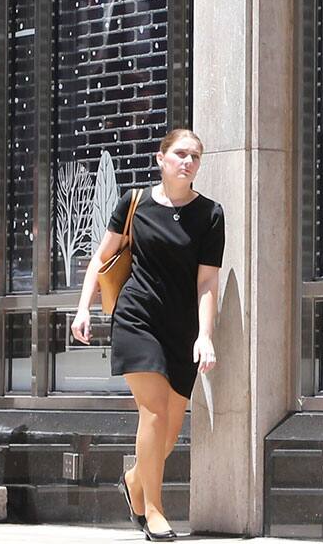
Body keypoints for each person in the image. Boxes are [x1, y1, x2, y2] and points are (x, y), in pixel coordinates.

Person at [70, 129, 225, 542]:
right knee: (153, 410)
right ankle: (154, 510)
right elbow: (101, 259)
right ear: (161, 158)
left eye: (195, 156)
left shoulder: (210, 214)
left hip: (182, 328)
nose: (187, 162)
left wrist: (204, 335)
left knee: (170, 430)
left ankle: (135, 479)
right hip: (136, 318)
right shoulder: (134, 203)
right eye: (180, 154)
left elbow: (207, 283)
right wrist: (83, 308)